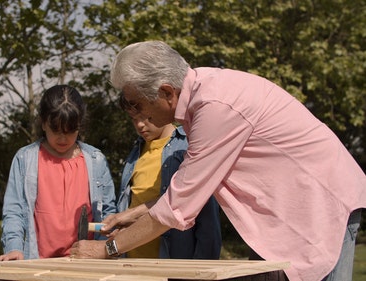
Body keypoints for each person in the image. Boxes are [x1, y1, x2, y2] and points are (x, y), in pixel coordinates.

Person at [70, 41, 366, 281]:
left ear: (166, 92)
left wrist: (106, 249)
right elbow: (187, 188)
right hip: (295, 209)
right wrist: (132, 214)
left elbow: (177, 208)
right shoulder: (206, 96)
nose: (133, 114)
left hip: (323, 204)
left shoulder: (215, 108)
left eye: (135, 104)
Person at [0, 85, 117, 261]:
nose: (63, 138)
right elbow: (14, 211)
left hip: (86, 263)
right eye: (56, 130)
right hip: (37, 262)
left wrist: (103, 247)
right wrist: (14, 248)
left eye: (70, 131)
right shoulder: (25, 159)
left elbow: (108, 213)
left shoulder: (96, 160)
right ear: (44, 123)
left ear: (80, 125)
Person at [118, 97, 221, 259]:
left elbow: (208, 220)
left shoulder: (188, 147)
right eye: (133, 119)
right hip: (131, 261)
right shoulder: (136, 152)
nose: (139, 125)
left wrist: (205, 267)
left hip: (173, 262)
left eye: (145, 117)